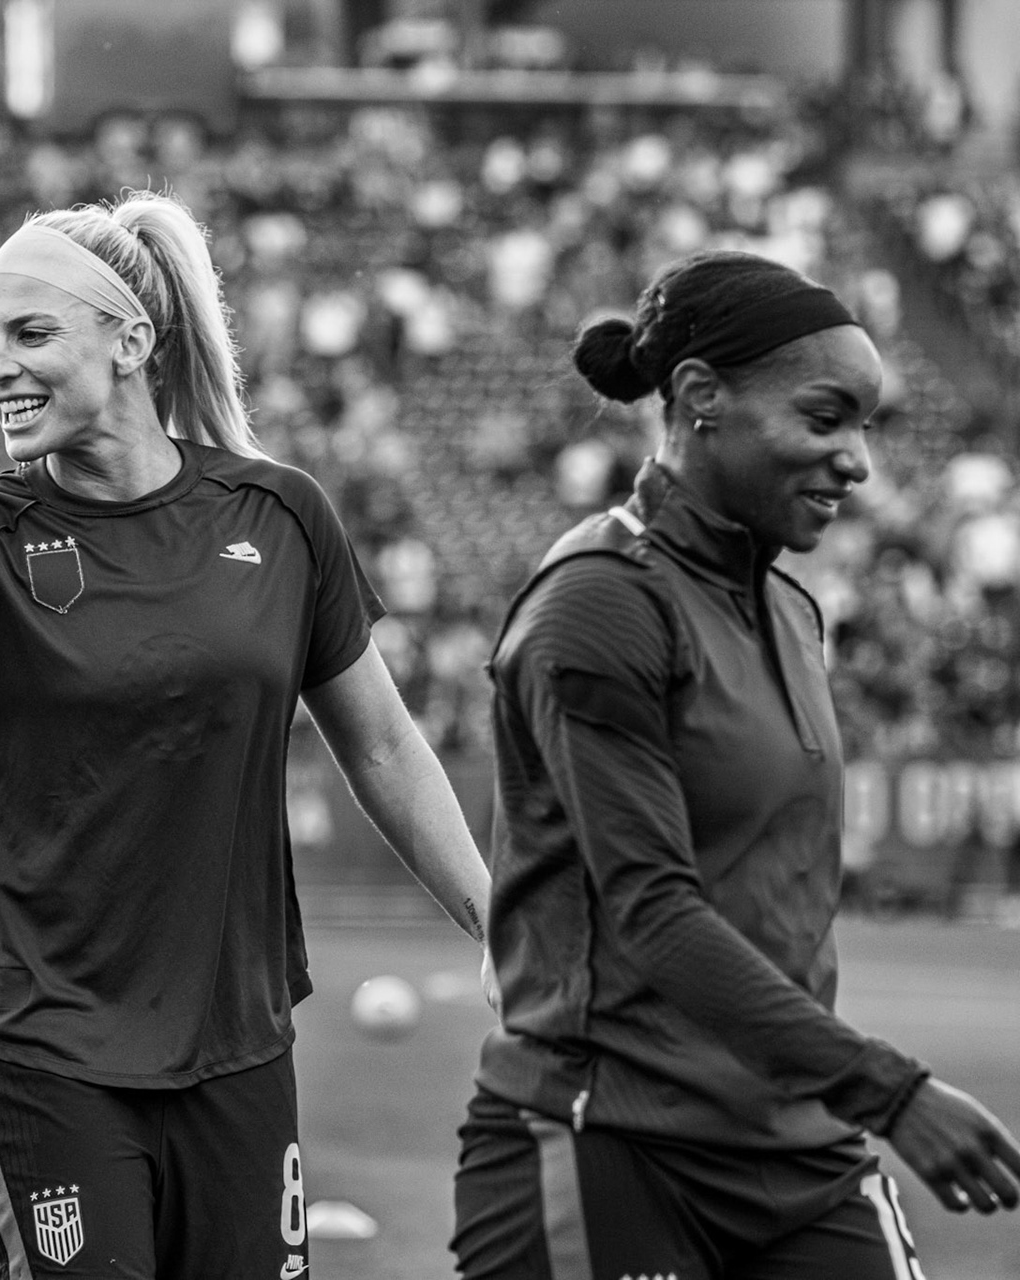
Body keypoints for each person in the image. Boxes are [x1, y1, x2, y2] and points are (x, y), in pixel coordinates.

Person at [0, 191, 494, 1280]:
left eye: (30, 332)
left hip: (240, 1047)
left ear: (132, 341)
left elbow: (386, 747)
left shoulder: (282, 515)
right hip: (44, 1050)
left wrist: (496, 920)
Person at [451, 250, 1020, 1280]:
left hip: (801, 1152)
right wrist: (888, 1090)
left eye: (865, 425)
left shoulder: (793, 608)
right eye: (825, 416)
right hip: (609, 1139)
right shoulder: (601, 602)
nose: (856, 458)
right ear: (702, 399)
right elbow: (653, 908)